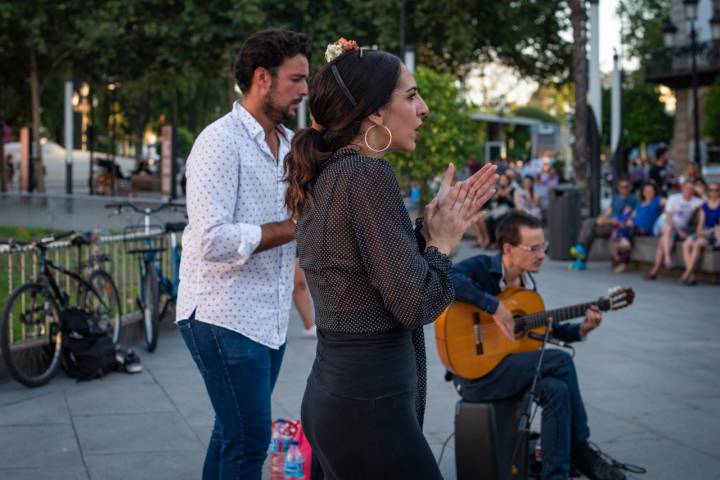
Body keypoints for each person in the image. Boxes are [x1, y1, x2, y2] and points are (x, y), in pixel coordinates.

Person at [284, 39, 501, 478]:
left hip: (337, 397)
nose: (423, 110)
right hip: (369, 407)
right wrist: (441, 243)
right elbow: (416, 303)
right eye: (411, 95)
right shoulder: (366, 173)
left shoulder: (330, 172)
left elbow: (364, 267)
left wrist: (424, 229)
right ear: (375, 113)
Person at [174, 29, 311, 479]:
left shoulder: (291, 146)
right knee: (250, 442)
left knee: (232, 434)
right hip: (221, 315)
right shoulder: (219, 141)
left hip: (268, 320)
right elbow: (211, 239)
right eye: (296, 79)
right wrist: (290, 229)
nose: (305, 90)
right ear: (262, 79)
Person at [450, 210, 626, 480]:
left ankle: (555, 474)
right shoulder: (481, 269)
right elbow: (445, 276)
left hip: (508, 369)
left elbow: (544, 330)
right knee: (562, 360)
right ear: (508, 248)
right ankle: (581, 450)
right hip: (475, 374)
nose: (542, 254)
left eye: (542, 247)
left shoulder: (527, 290)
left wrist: (582, 328)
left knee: (557, 390)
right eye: (533, 248)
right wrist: (492, 305)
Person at [569, 178, 637, 270]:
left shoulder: (632, 200)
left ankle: (580, 251)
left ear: (630, 188)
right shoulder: (616, 197)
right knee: (590, 228)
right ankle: (580, 259)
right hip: (608, 224)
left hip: (617, 228)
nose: (624, 189)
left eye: (626, 187)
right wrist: (602, 217)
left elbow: (624, 219)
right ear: (618, 187)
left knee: (590, 224)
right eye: (621, 187)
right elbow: (609, 210)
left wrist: (607, 221)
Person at [645, 178, 703, 280]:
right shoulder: (674, 198)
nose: (688, 190)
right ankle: (667, 258)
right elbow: (669, 219)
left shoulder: (697, 201)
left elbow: (712, 201)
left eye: (691, 189)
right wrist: (678, 231)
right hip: (662, 224)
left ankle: (654, 271)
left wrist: (700, 191)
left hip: (676, 230)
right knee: (667, 229)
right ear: (682, 188)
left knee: (663, 241)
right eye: (686, 188)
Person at [612, 181, 665, 273]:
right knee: (625, 228)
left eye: (650, 191)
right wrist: (628, 221)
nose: (648, 193)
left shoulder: (657, 201)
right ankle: (623, 246)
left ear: (655, 192)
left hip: (645, 229)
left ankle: (622, 258)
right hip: (634, 227)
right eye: (646, 191)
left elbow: (672, 202)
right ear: (643, 192)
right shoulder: (639, 204)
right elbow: (632, 215)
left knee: (628, 232)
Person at [680, 182, 720, 285]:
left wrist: (706, 233)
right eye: (711, 190)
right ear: (708, 192)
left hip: (714, 233)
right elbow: (700, 224)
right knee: (686, 244)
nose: (713, 192)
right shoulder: (704, 206)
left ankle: (687, 273)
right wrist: (699, 231)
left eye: (716, 190)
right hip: (704, 231)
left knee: (697, 244)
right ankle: (692, 275)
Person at [293, 258, 316, 336]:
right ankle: (309, 326)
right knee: (298, 283)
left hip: (292, 249)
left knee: (300, 283)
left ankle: (310, 327)